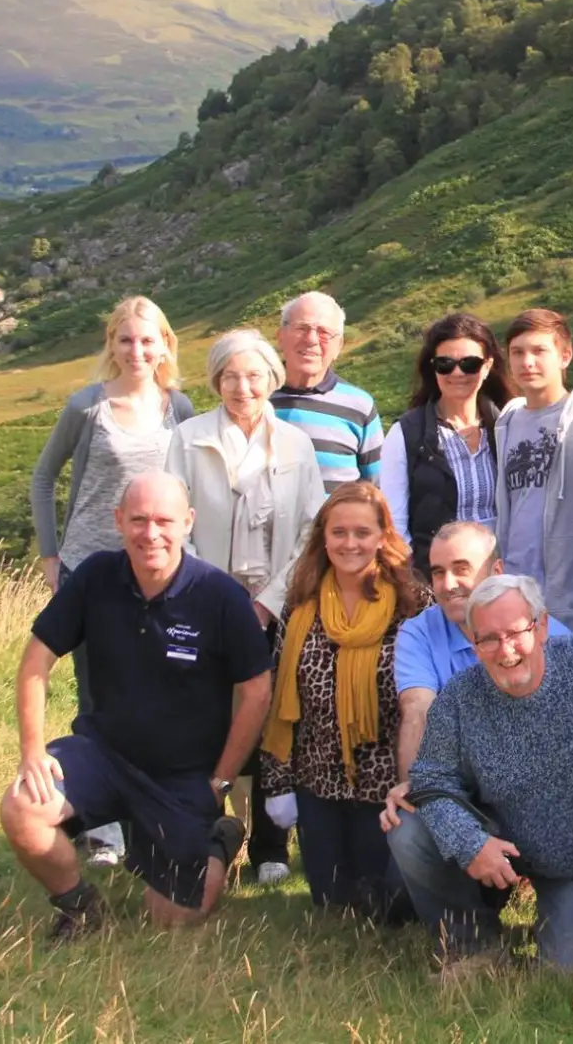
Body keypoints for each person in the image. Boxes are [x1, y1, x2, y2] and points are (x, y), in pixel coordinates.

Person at [0, 473, 271, 940]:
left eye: (164, 520)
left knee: (172, 916)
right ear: (118, 521)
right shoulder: (96, 577)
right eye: (139, 520)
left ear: (188, 523)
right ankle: (81, 909)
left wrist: (222, 779)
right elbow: (35, 661)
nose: (151, 533)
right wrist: (32, 750)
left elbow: (256, 690)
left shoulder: (219, 596)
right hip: (103, 755)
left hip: (181, 776)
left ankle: (219, 840)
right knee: (22, 809)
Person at [384, 575, 573, 974]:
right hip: (499, 842)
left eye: (516, 632)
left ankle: (569, 928)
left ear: (540, 626)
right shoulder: (459, 697)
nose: (505, 651)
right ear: (473, 642)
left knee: (570, 973)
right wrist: (469, 843)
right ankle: (473, 945)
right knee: (407, 827)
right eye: (488, 638)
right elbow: (432, 777)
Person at [28, 295, 195, 863]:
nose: (137, 351)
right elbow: (43, 476)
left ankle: (151, 812)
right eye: (126, 340)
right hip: (91, 569)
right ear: (112, 345)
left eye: (148, 340)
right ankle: (102, 827)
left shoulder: (182, 408)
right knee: (97, 693)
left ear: (166, 346)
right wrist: (52, 557)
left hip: (158, 570)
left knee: (157, 692)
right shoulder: (87, 406)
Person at [165, 327, 325, 885]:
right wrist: (208, 592)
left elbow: (312, 529)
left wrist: (268, 603)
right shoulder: (186, 439)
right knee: (206, 721)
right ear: (215, 381)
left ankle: (270, 847)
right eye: (230, 376)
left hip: (274, 606)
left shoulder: (296, 445)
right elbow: (172, 519)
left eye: (254, 375)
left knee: (272, 720)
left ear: (271, 380)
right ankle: (206, 835)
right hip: (205, 601)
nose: (243, 386)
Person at [259, 483, 430, 919]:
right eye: (339, 532)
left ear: (382, 536)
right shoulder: (301, 601)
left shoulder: (413, 603)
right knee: (331, 907)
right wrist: (279, 784)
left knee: (387, 909)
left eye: (361, 532)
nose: (350, 543)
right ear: (324, 537)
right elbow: (279, 697)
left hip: (387, 787)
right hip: (318, 784)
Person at [393, 520, 569, 781]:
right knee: (408, 819)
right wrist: (415, 788)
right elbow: (417, 710)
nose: (448, 584)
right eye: (438, 572)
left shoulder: (540, 629)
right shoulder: (419, 633)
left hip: (539, 777)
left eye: (461, 569)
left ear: (496, 572)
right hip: (459, 780)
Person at [493, 309, 573, 632]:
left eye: (539, 351)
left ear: (565, 356)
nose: (527, 362)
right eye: (518, 353)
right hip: (519, 600)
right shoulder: (507, 424)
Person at [383, 313, 513, 561]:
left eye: (469, 364)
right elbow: (394, 525)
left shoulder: (509, 426)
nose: (457, 372)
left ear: (487, 367)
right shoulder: (406, 434)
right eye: (445, 364)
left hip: (503, 575)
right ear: (433, 368)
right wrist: (416, 580)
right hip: (439, 579)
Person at [272, 291, 385, 493]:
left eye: (324, 332)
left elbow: (377, 490)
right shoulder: (253, 398)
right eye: (302, 328)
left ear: (338, 346)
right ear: (280, 336)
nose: (311, 339)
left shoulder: (359, 406)